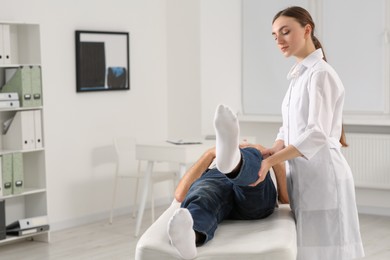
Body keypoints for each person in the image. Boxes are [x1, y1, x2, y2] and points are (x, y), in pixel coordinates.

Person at [250, 6, 364, 260]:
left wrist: (269, 162)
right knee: (308, 250)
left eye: (285, 32)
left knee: (329, 251)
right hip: (305, 177)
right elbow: (289, 126)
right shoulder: (299, 76)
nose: (278, 40)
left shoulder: (320, 74)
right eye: (274, 35)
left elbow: (315, 134)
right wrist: (275, 147)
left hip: (324, 178)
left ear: (307, 30)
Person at [167, 104, 289, 260]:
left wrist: (269, 158)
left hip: (251, 185)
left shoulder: (258, 159)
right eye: (235, 147)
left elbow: (285, 200)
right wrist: (210, 153)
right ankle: (192, 236)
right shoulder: (212, 163)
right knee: (202, 195)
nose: (241, 144)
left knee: (251, 166)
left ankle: (235, 165)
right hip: (216, 178)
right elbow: (180, 195)